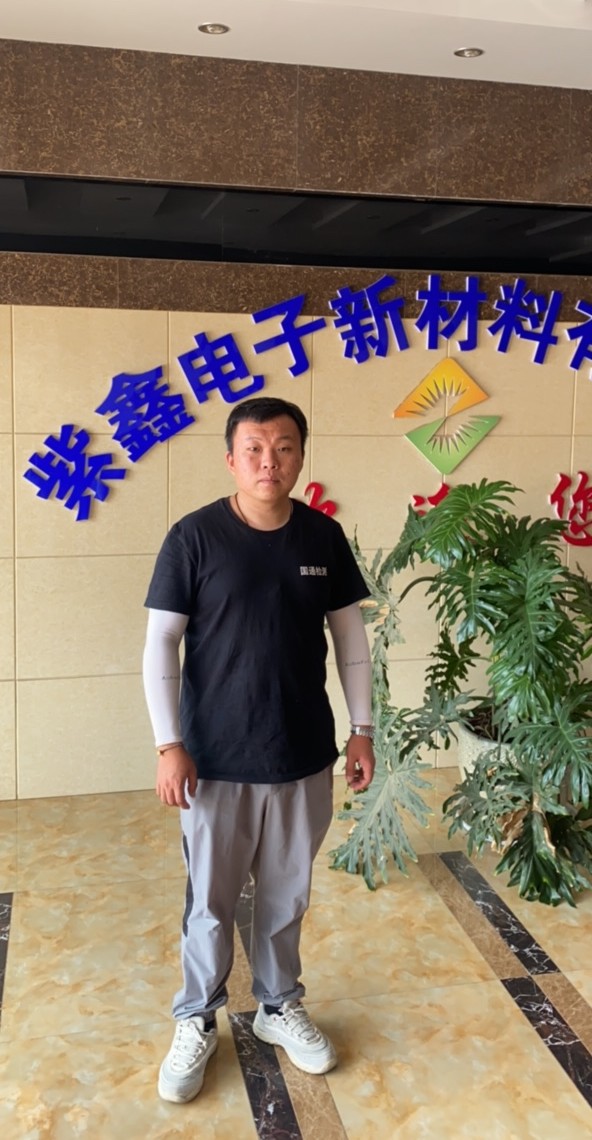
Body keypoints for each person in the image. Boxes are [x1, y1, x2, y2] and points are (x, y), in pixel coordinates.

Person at [143, 395, 375, 1105]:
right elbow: (161, 643)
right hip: (213, 759)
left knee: (284, 894)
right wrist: (169, 743)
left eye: (283, 447)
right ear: (231, 459)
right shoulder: (193, 538)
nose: (269, 461)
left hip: (302, 754)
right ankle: (196, 1017)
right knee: (211, 903)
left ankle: (278, 1005)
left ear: (300, 456)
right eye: (254, 449)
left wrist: (362, 728)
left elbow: (351, 640)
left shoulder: (322, 537)